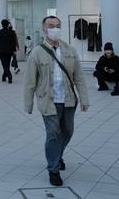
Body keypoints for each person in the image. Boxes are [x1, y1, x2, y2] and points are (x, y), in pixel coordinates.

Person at [24, 16, 90, 187]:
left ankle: (57, 155)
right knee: (53, 133)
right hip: (48, 100)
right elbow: (30, 81)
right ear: (44, 29)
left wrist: (84, 99)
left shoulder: (70, 50)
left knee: (67, 131)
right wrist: (28, 104)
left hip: (68, 100)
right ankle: (53, 169)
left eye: (58, 25)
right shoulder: (36, 53)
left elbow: (79, 77)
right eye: (51, 25)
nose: (55, 29)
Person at [0, 19, 19, 84]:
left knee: (4, 64)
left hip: (2, 51)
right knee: (7, 64)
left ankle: (9, 75)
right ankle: (4, 76)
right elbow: (14, 42)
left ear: (2, 25)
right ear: (8, 25)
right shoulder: (12, 32)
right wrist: (14, 50)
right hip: (10, 51)